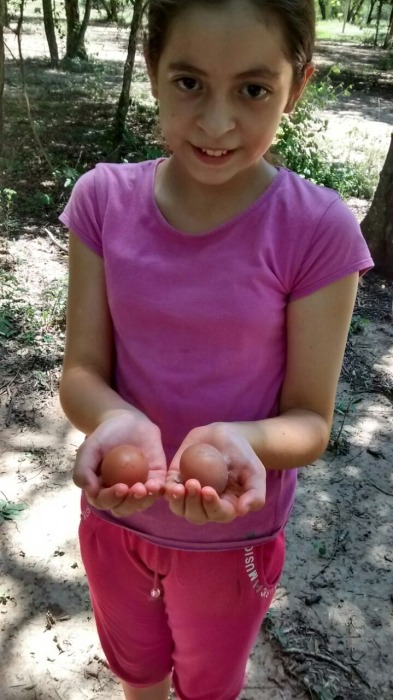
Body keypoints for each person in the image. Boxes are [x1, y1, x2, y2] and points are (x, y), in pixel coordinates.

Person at [59, 1, 373, 698]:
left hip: (234, 542)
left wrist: (239, 441)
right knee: (138, 675)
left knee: (207, 687)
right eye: (189, 82)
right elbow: (81, 371)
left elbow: (309, 420)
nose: (215, 122)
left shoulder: (316, 230)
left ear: (296, 86)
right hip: (117, 520)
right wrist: (114, 420)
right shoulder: (102, 201)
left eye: (253, 89)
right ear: (152, 72)